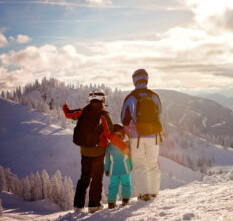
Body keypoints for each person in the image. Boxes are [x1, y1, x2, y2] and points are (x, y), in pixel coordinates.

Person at [63, 89, 129, 213]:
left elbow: (68, 115)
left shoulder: (83, 111)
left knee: (84, 178)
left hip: (84, 151)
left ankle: (78, 206)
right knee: (97, 179)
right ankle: (94, 206)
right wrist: (124, 147)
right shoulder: (103, 115)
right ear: (103, 100)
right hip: (98, 152)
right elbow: (110, 135)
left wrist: (65, 107)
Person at [121, 69, 162, 201]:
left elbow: (124, 120)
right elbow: (159, 114)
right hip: (154, 136)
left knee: (139, 164)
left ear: (134, 80)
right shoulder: (155, 96)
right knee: (152, 163)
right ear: (146, 79)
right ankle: (154, 192)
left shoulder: (130, 97)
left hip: (137, 137)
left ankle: (144, 194)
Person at [104, 124, 132, 209]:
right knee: (126, 184)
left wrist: (106, 169)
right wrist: (131, 165)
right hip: (125, 168)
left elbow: (107, 159)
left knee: (113, 185)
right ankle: (125, 200)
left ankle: (111, 203)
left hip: (113, 170)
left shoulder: (109, 146)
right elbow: (129, 156)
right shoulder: (124, 145)